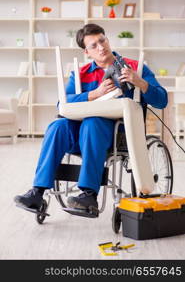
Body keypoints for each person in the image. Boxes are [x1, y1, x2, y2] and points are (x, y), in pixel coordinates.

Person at [14, 23, 168, 213]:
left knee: (93, 122)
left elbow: (162, 100)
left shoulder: (136, 67)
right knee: (57, 126)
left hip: (118, 135)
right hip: (81, 137)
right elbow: (63, 103)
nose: (101, 47)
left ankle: (88, 196)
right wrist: (93, 94)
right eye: (94, 45)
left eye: (102, 41)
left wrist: (140, 82)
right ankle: (37, 193)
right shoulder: (80, 73)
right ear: (87, 52)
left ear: (107, 40)